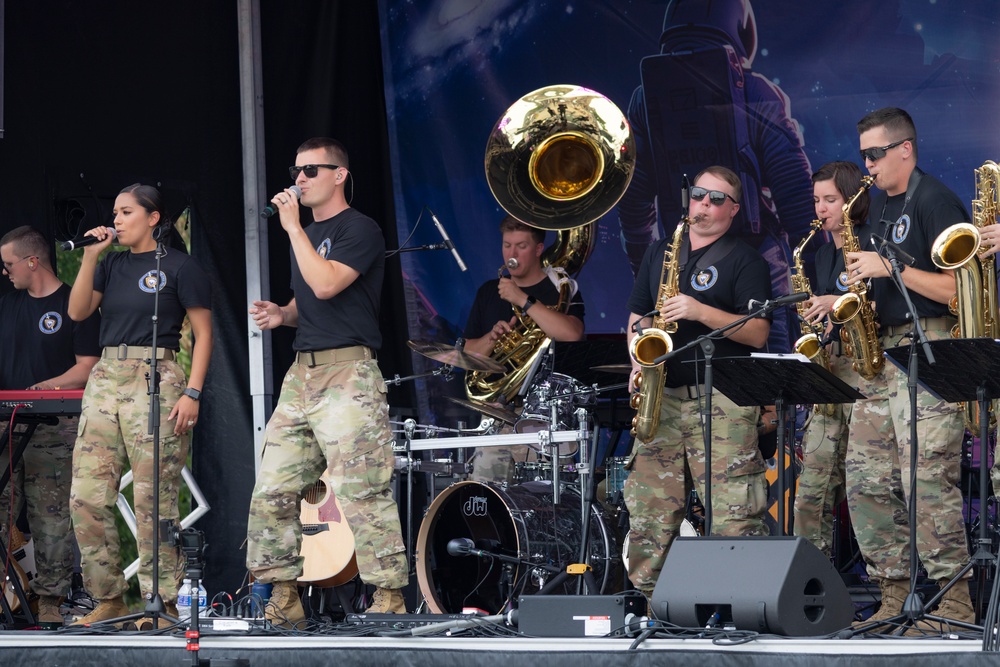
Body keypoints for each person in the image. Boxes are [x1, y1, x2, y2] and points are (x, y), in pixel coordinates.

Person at [246, 137, 408, 625]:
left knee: (362, 489)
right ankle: (284, 594)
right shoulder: (307, 235)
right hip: (303, 374)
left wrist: (294, 227)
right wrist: (284, 314)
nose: (299, 179)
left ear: (339, 175)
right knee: (271, 487)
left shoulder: (361, 229)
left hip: (349, 374)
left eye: (311, 170)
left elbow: (327, 283)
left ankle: (388, 597)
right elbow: (314, 303)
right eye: (296, 170)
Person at [617, 0, 815, 355]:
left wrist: (645, 271)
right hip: (755, 249)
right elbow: (795, 193)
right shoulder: (754, 91)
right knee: (772, 361)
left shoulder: (645, 99)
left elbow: (635, 200)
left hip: (682, 256)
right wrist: (814, 274)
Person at [844, 107, 972, 628]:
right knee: (865, 480)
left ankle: (956, 603)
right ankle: (894, 595)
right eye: (863, 156)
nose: (868, 166)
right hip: (886, 355)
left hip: (932, 346)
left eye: (875, 154)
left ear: (905, 148)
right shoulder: (876, 207)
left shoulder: (936, 200)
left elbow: (956, 291)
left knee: (926, 478)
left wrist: (890, 266)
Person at [67, 184, 213, 625]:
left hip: (157, 376)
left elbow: (204, 333)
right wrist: (91, 256)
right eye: (114, 212)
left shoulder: (182, 267)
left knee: (156, 499)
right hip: (107, 378)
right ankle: (108, 597)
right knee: (85, 496)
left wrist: (193, 392)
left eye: (126, 212)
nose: (116, 219)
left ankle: (163, 600)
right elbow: (76, 314)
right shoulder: (109, 264)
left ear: (153, 218)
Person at [624, 165, 771, 601]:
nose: (705, 204)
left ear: (734, 211)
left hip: (722, 399)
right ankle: (653, 607)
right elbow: (638, 315)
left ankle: (742, 606)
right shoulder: (659, 253)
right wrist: (636, 358)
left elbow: (758, 332)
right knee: (650, 510)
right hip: (662, 396)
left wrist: (699, 311)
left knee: (733, 513)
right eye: (699, 195)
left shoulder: (747, 260)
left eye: (717, 199)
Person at [0, 226, 101, 627]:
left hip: (55, 425)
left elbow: (88, 366)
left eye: (9, 264)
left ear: (32, 261)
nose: (5, 271)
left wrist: (49, 386)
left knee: (51, 516)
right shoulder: (8, 306)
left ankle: (52, 602)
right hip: (6, 423)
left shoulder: (74, 304)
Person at [462, 215, 586, 484]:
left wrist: (523, 300)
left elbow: (573, 333)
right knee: (486, 496)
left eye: (521, 246)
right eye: (507, 245)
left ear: (539, 249)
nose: (512, 254)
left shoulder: (559, 288)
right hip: (497, 414)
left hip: (546, 416)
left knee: (547, 505)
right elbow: (467, 354)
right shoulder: (488, 291)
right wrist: (492, 338)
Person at [791, 162, 870, 557]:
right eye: (817, 200)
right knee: (811, 491)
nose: (821, 209)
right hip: (831, 371)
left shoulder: (871, 242)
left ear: (853, 199)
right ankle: (809, 584)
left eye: (830, 200)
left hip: (868, 372)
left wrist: (834, 303)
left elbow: (878, 307)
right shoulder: (821, 256)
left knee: (866, 486)